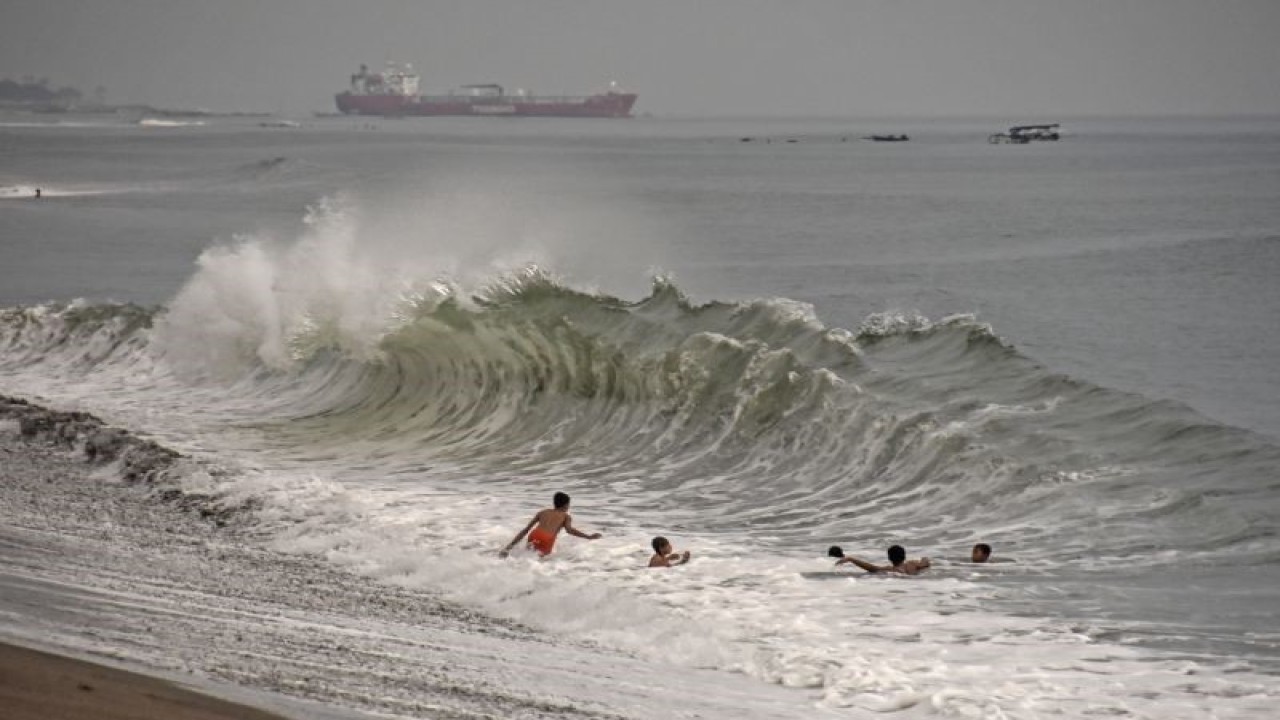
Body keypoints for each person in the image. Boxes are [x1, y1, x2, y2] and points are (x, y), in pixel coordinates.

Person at [499, 491, 601, 558]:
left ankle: (506, 557)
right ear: (566, 505)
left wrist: (508, 547)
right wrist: (588, 536)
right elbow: (569, 530)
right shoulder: (566, 516)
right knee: (539, 563)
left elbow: (525, 530)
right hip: (546, 538)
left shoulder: (543, 512)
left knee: (527, 558)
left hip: (534, 534)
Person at [832, 544, 930, 575]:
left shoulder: (891, 570)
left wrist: (851, 559)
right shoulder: (913, 564)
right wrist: (923, 559)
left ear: (889, 558)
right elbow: (926, 562)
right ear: (904, 556)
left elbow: (871, 568)